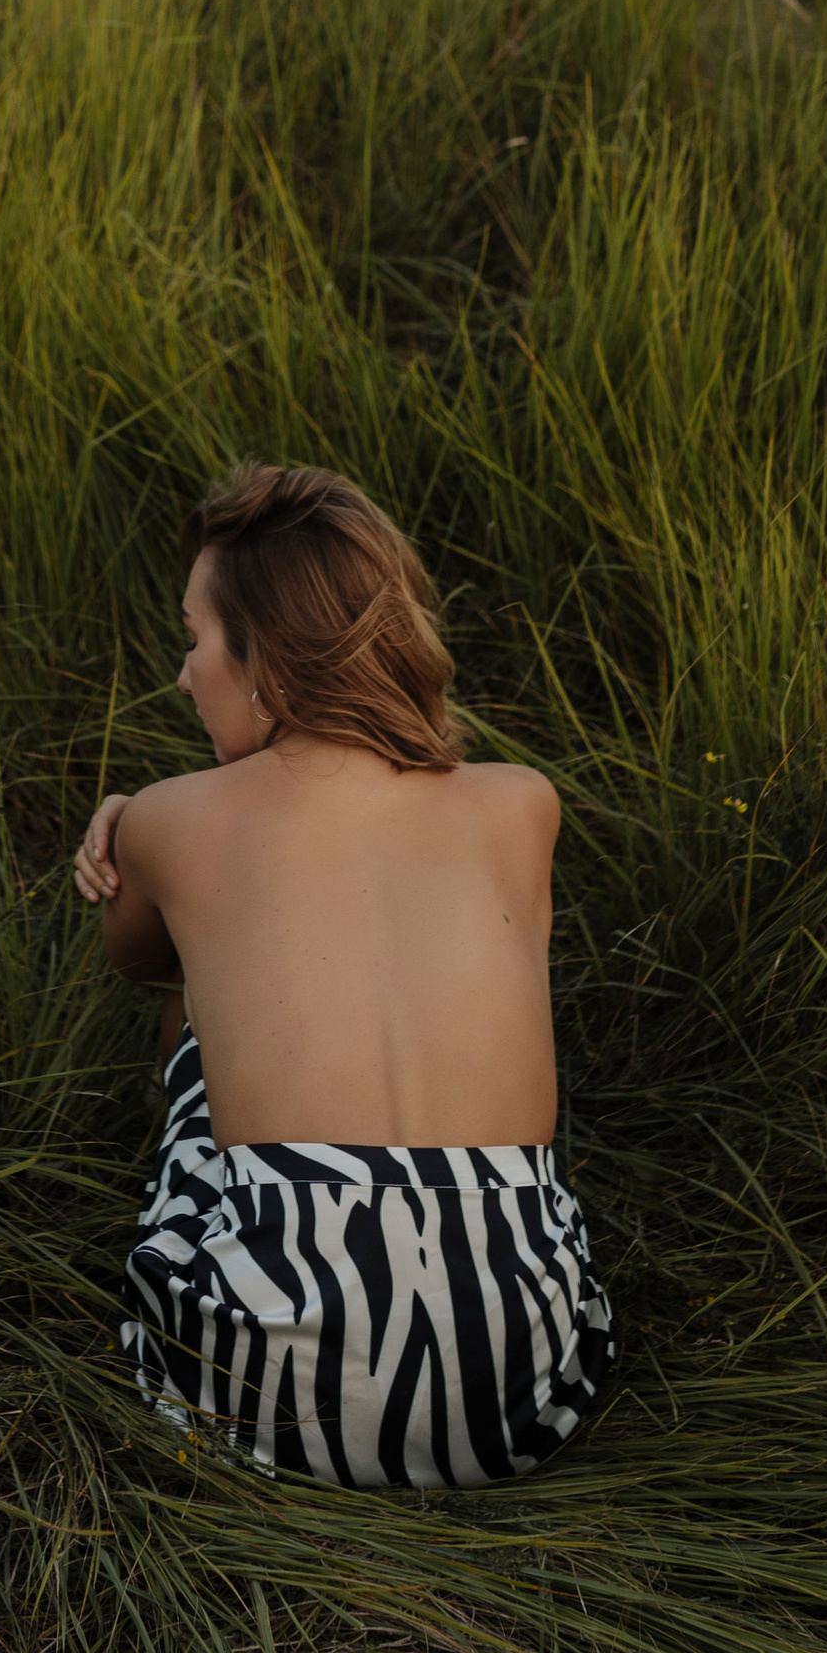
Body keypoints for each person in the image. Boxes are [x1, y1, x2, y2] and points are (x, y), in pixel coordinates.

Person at [71, 461, 612, 1489]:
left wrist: (134, 824)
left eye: (195, 640)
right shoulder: (521, 803)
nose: (184, 676)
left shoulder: (171, 819)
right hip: (525, 1394)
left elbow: (140, 961)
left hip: (259, 1398)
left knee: (194, 1014)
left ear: (265, 660)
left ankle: (227, 1243)